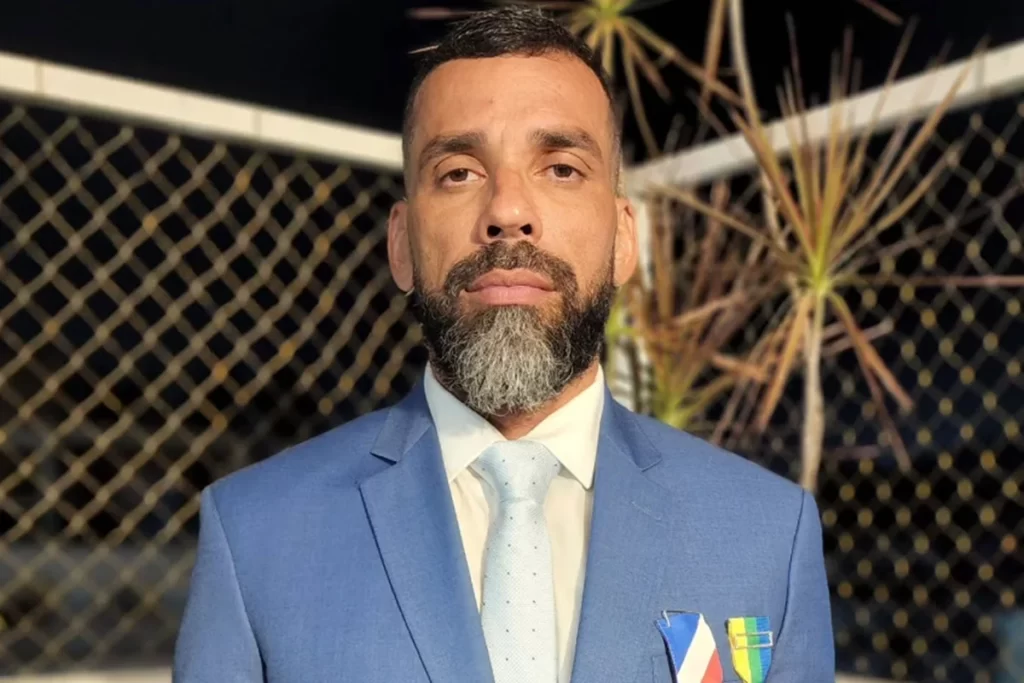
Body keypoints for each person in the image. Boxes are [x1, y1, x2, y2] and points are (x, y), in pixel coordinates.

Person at [172, 6, 834, 682]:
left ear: (624, 239)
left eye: (562, 169)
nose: (508, 212)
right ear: (401, 244)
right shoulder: (255, 535)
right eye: (459, 172)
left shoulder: (766, 535)